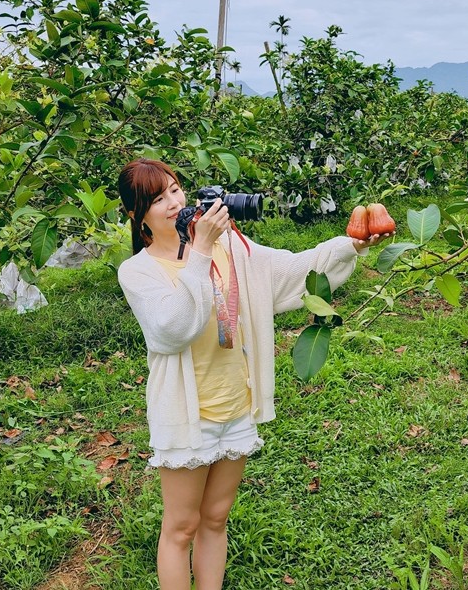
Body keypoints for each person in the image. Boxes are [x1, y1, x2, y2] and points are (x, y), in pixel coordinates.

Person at [116, 158, 390, 590]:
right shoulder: (138, 271)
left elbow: (293, 269)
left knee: (216, 519)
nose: (172, 203)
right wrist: (201, 250)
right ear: (136, 215)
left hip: (234, 404)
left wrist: (351, 245)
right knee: (181, 528)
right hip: (189, 415)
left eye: (174, 190)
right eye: (155, 199)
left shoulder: (233, 250)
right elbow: (171, 330)